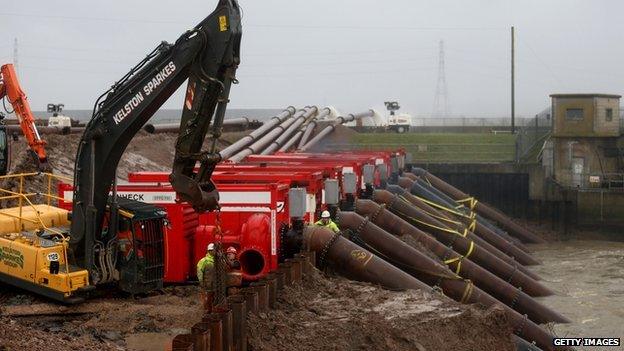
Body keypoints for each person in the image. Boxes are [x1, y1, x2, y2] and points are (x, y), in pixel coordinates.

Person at [196, 243, 215, 312]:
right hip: (207, 285)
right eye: (213, 250)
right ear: (209, 251)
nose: (215, 251)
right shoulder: (204, 261)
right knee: (207, 299)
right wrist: (201, 282)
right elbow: (199, 272)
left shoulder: (217, 261)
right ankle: (207, 311)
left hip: (215, 285)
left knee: (213, 299)